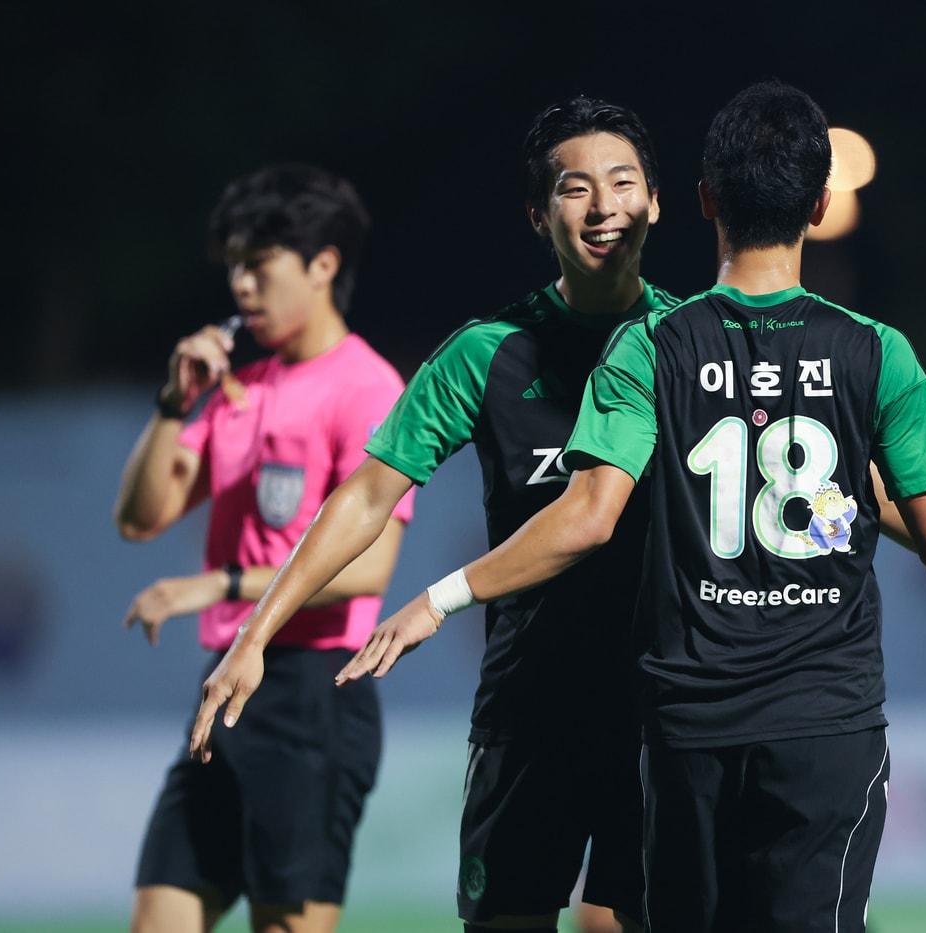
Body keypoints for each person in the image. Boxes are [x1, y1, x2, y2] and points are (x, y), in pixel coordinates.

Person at [328, 81, 926, 932]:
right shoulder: (875, 351)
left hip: (687, 721)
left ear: (700, 201)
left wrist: (442, 597)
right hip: (822, 720)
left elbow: (588, 514)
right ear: (820, 204)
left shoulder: (653, 346)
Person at [189, 98, 676, 933]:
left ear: (655, 202)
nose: (603, 206)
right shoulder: (486, 352)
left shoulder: (696, 342)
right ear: (538, 214)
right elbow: (365, 495)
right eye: (575, 188)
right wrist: (255, 633)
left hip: (665, 707)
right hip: (531, 708)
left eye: (624, 183)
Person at [115, 164, 414, 933]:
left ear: (323, 264)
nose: (241, 285)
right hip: (226, 687)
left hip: (314, 692)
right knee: (158, 918)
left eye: (259, 264)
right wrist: (173, 403)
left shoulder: (368, 389)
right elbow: (140, 517)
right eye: (234, 267)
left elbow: (369, 568)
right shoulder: (240, 387)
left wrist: (218, 584)